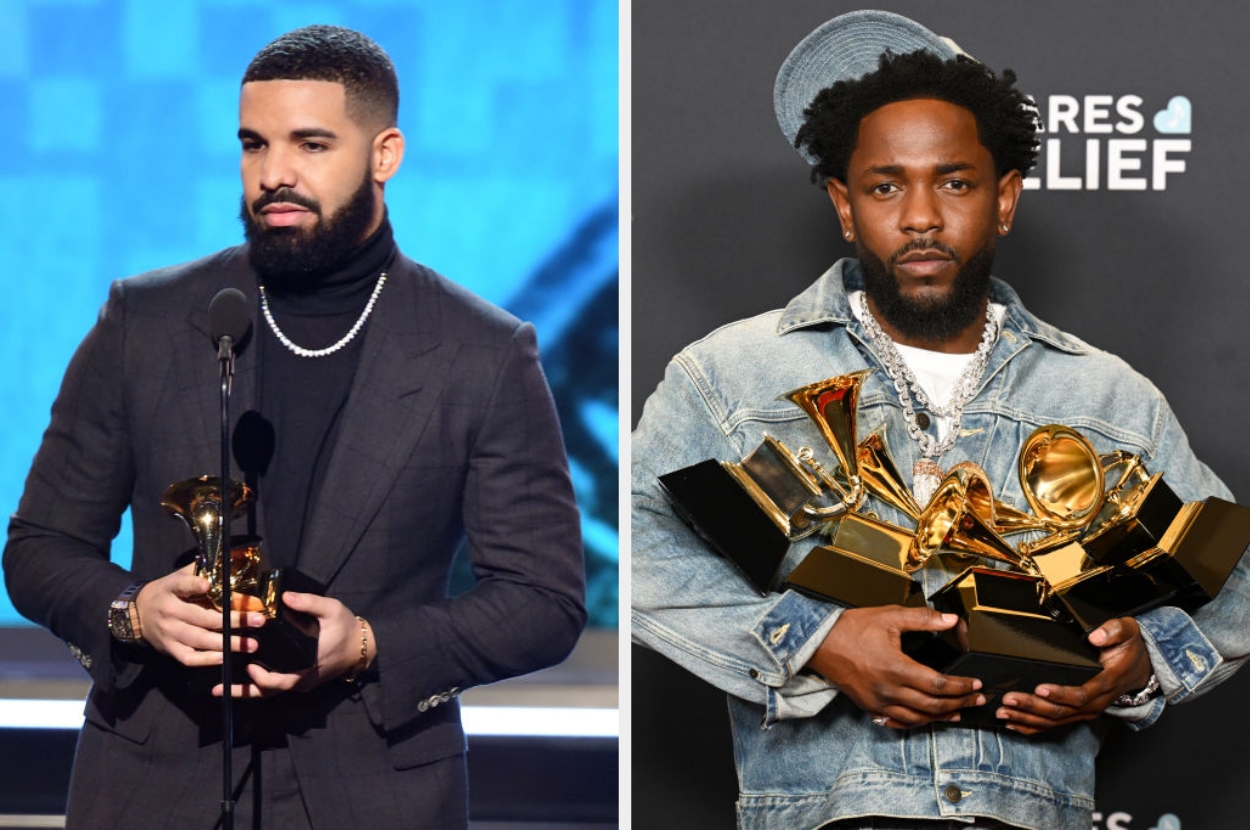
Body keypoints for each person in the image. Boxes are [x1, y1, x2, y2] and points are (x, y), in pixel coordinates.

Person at [631, 10, 1250, 830]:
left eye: (954, 183)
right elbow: (627, 541)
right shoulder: (730, 375)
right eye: (886, 187)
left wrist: (1140, 665)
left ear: (1004, 200)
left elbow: (1230, 573)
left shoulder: (1108, 397)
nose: (921, 217)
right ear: (845, 207)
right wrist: (814, 642)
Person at [4, 24, 585, 830]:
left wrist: (372, 645)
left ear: (385, 155)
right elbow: (38, 548)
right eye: (254, 144)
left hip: (374, 792)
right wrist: (133, 612)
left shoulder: (482, 353)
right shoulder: (148, 319)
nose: (273, 174)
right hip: (149, 786)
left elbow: (544, 600)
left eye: (311, 144)